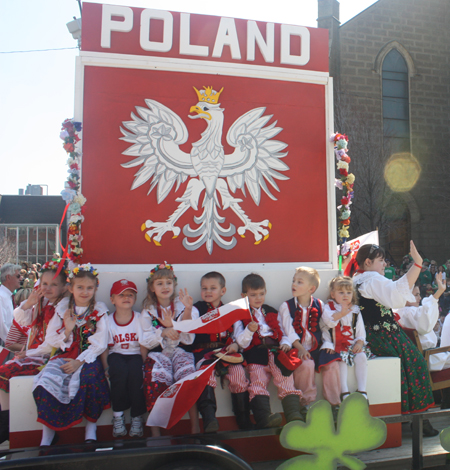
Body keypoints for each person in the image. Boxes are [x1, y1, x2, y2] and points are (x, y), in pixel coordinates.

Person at [353, 242, 436, 429]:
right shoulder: (372, 279)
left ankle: (410, 417)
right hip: (384, 335)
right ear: (368, 262)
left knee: (407, 366)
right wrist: (417, 265)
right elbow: (396, 294)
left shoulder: (357, 280)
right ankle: (418, 419)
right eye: (381, 260)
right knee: (416, 364)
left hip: (373, 335)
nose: (385, 264)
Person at [32, 263, 110, 446]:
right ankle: (48, 435)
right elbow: (51, 338)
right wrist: (67, 331)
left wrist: (78, 362)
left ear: (95, 288)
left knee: (90, 377)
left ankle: (91, 429)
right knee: (47, 379)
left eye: (89, 288)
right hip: (63, 354)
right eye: (80, 287)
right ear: (71, 288)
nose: (85, 292)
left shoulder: (99, 310)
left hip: (87, 356)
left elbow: (100, 342)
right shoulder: (63, 308)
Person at [0, 261, 67, 443]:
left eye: (53, 284)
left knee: (6, 372)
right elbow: (23, 321)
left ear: (63, 287)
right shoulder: (43, 303)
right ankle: (5, 421)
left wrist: (27, 354)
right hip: (37, 352)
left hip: (50, 356)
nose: (47, 288)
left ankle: (7, 425)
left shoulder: (61, 307)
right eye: (44, 284)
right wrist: (29, 303)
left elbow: (50, 343)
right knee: (3, 373)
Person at [235, 273, 303, 428]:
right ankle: (264, 417)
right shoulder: (240, 315)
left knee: (285, 379)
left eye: (261, 294)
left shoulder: (271, 310)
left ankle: (294, 415)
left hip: (276, 351)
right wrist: (249, 331)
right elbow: (241, 342)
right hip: (256, 353)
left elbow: (284, 332)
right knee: (258, 382)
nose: (258, 298)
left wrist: (285, 342)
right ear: (244, 295)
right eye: (253, 295)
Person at [140, 262, 199, 437]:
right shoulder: (148, 311)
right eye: (159, 283)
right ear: (152, 287)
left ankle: (195, 428)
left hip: (180, 351)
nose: (165, 287)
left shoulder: (182, 306)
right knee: (153, 379)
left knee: (188, 376)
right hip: (158, 354)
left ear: (174, 284)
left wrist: (187, 310)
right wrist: (163, 331)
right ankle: (155, 433)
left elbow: (189, 337)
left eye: (168, 282)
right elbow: (145, 340)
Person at [190, 271, 250, 432]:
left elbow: (238, 335)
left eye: (212, 288)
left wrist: (236, 346)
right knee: (205, 374)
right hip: (203, 351)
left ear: (223, 291)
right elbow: (188, 330)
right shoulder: (196, 309)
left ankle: (243, 417)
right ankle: (209, 418)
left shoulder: (230, 310)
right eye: (204, 288)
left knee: (238, 373)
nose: (208, 292)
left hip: (226, 352)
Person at [278, 267, 341, 417]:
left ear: (311, 288)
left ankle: (335, 404)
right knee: (306, 364)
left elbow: (324, 327)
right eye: (294, 281)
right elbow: (288, 330)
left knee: (332, 364)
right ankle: (305, 404)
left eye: (299, 282)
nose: (294, 284)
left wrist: (327, 343)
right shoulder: (286, 306)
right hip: (297, 348)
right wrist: (300, 348)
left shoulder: (319, 304)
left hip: (316, 347)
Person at [395, 275, 449, 413]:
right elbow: (425, 324)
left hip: (426, 356)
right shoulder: (409, 311)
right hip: (429, 357)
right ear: (405, 296)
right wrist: (437, 294)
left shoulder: (399, 312)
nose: (419, 298)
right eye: (416, 295)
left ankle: (446, 402)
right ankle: (447, 402)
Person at [101, 279, 147, 438]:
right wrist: (106, 366)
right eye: (121, 295)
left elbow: (143, 345)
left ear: (135, 298)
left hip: (135, 355)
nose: (126, 297)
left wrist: (144, 364)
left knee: (136, 375)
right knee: (117, 372)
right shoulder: (107, 320)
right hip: (116, 355)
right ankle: (118, 416)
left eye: (130, 294)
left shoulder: (140, 318)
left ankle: (136, 417)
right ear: (112, 299)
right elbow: (104, 347)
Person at [321, 276, 369, 401]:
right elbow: (329, 322)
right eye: (341, 292)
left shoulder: (355, 311)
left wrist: (359, 342)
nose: (345, 295)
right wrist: (342, 313)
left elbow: (360, 332)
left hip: (352, 345)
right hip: (336, 345)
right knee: (341, 360)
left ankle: (362, 390)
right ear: (333, 294)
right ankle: (344, 391)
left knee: (362, 357)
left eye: (349, 292)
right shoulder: (328, 308)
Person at [0, 264, 22, 344]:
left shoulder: (8, 296)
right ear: (8, 277)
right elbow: (2, 326)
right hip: (4, 344)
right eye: (18, 276)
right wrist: (12, 344)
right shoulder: (1, 296)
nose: (21, 278)